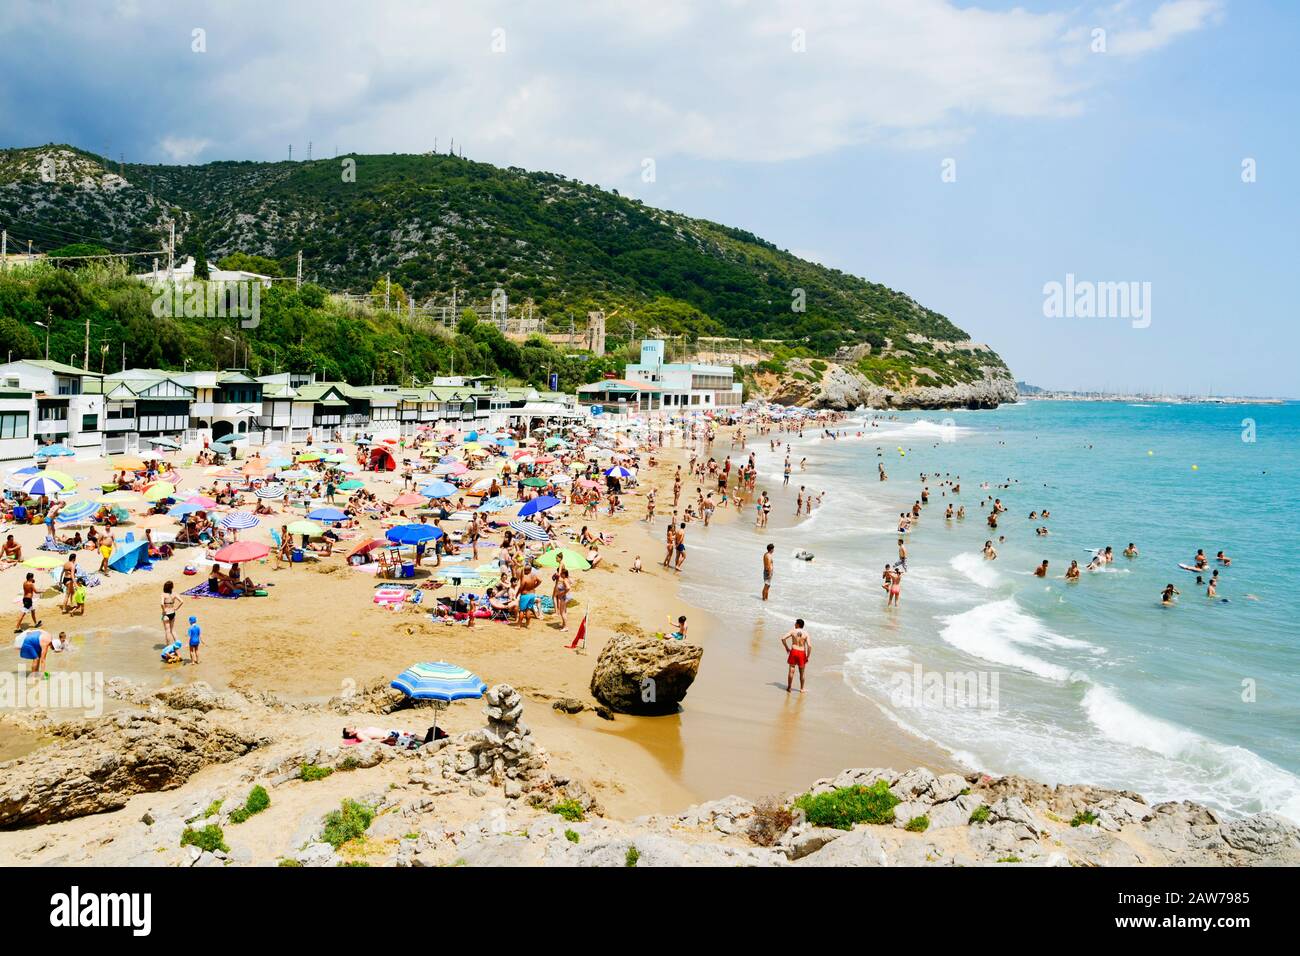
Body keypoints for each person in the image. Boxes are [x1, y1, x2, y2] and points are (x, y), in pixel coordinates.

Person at [781, 618, 811, 693]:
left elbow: (783, 638)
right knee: (802, 672)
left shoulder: (793, 631)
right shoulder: (806, 633)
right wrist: (807, 656)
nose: (794, 624)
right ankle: (802, 689)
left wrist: (787, 648)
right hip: (802, 652)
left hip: (794, 651)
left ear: (798, 624)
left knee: (791, 670)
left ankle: (789, 688)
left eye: (795, 623)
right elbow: (809, 646)